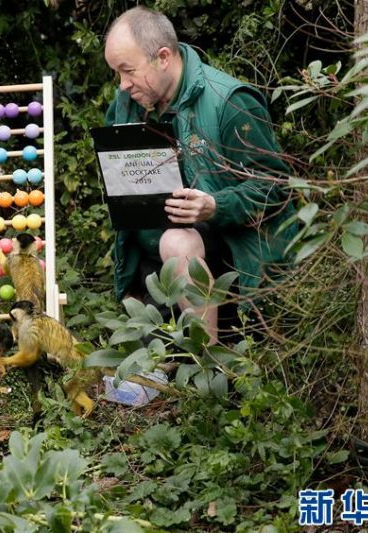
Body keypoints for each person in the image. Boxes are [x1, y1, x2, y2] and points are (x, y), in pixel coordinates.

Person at [103, 6, 297, 344]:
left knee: (177, 242)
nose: (123, 84)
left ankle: (206, 366)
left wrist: (214, 206)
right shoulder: (126, 105)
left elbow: (275, 188)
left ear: (163, 57)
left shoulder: (230, 101)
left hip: (231, 251)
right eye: (116, 73)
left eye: (128, 71)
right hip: (155, 265)